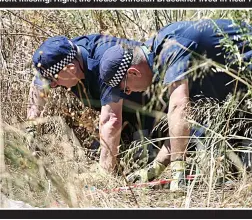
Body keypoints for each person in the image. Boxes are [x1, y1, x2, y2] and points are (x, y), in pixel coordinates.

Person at [98, 19, 252, 189]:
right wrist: (157, 166)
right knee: (232, 157)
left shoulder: (172, 48)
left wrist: (178, 170)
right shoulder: (158, 55)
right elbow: (187, 120)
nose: (129, 93)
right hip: (237, 83)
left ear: (133, 72)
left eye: (125, 88)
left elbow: (179, 109)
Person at [27, 34, 162, 170]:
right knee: (93, 154)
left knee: (140, 163)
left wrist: (104, 176)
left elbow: (111, 121)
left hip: (150, 109)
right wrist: (31, 127)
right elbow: (37, 85)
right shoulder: (61, 55)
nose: (53, 86)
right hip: (123, 112)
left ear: (71, 69)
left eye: (54, 82)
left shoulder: (108, 64)